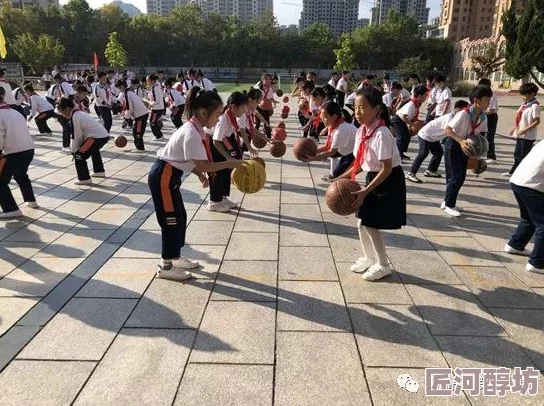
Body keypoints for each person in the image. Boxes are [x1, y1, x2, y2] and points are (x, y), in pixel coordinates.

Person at [148, 87, 245, 280]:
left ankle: (174, 257)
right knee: (171, 221)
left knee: (180, 217)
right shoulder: (192, 133)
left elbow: (186, 159)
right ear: (203, 112)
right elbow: (203, 164)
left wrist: (200, 176)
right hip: (163, 178)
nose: (218, 119)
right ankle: (165, 266)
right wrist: (230, 163)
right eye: (217, 114)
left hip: (170, 176)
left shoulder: (196, 129)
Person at [336, 87, 406, 281]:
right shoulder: (362, 131)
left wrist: (366, 190)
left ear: (376, 109)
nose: (357, 112)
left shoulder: (381, 133)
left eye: (362, 108)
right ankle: (369, 258)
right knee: (362, 222)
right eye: (356, 108)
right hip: (373, 177)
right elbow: (359, 162)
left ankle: (383, 265)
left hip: (388, 180)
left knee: (370, 223)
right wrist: (340, 178)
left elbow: (387, 168)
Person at [442, 85, 492, 217]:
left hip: (467, 147)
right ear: (476, 100)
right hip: (454, 144)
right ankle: (449, 204)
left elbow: (480, 136)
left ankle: (447, 202)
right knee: (456, 177)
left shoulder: (483, 117)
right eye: (486, 100)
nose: (489, 103)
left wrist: (478, 154)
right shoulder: (463, 114)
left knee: (458, 177)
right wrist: (461, 141)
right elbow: (447, 130)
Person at [405, 100, 470, 183]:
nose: (466, 112)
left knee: (438, 152)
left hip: (433, 137)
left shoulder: (455, 118)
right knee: (423, 153)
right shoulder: (450, 118)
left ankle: (431, 170)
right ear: (458, 109)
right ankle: (410, 173)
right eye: (465, 110)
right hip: (425, 134)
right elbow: (450, 131)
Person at [506, 139, 544, 274]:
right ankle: (537, 263)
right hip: (531, 186)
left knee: (528, 217)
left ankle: (515, 245)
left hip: (518, 181)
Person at [0, 86, 38, 219]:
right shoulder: (15, 112)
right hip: (28, 150)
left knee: (1, 182)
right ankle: (31, 200)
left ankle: (11, 209)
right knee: (21, 175)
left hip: (12, 153)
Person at [209, 92, 248, 212]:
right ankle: (214, 202)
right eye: (242, 107)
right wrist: (228, 157)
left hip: (222, 141)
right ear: (233, 107)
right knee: (217, 172)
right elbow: (215, 141)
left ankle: (222, 197)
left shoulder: (232, 115)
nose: (244, 110)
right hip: (213, 143)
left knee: (226, 171)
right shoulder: (223, 119)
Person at [57, 97, 109, 185]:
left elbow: (77, 136)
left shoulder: (75, 116)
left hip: (96, 137)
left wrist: (74, 151)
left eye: (61, 112)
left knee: (79, 155)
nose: (61, 115)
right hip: (102, 136)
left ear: (67, 109)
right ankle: (99, 171)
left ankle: (84, 178)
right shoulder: (78, 113)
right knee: (94, 150)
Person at [304, 102, 356, 181]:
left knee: (339, 178)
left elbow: (331, 152)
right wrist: (311, 152)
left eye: (325, 117)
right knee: (337, 176)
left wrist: (311, 158)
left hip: (357, 154)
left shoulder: (341, 129)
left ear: (334, 117)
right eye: (322, 116)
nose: (322, 119)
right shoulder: (332, 126)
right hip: (348, 152)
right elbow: (327, 146)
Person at [502, 83, 540, 177]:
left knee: (523, 156)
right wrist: (515, 128)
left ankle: (523, 174)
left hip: (528, 136)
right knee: (517, 154)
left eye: (525, 94)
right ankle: (513, 172)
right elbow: (520, 118)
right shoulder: (524, 105)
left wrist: (524, 130)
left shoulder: (534, 106)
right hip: (520, 134)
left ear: (532, 94)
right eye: (522, 94)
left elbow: (537, 121)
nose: (523, 97)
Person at [391, 84, 428, 161]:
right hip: (397, 120)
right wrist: (413, 125)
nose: (426, 97)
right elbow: (404, 117)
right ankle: (396, 156)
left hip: (401, 120)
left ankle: (400, 154)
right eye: (425, 95)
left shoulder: (417, 104)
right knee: (401, 137)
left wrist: (422, 122)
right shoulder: (412, 104)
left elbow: (413, 117)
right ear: (420, 96)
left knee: (407, 136)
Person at [115, 80, 149, 152]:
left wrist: (126, 120)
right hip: (141, 115)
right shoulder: (129, 92)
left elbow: (129, 109)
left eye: (119, 89)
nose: (119, 91)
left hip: (140, 116)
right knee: (136, 131)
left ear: (121, 87)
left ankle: (140, 148)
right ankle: (139, 147)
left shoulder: (128, 94)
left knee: (137, 132)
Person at [478, 78, 499, 164]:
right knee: (479, 135)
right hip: (483, 116)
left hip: (491, 117)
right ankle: (478, 154)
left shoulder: (492, 95)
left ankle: (491, 156)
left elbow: (492, 110)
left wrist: (481, 112)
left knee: (489, 136)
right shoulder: (482, 94)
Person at [255, 74, 276, 139]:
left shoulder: (270, 89)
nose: (268, 81)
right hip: (258, 107)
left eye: (269, 79)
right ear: (262, 80)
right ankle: (255, 136)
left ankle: (269, 137)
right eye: (266, 79)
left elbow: (271, 98)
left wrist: (274, 102)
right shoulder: (258, 89)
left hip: (266, 108)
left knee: (267, 123)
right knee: (258, 123)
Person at [147, 74, 166, 140]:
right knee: (153, 122)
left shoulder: (155, 88)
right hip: (157, 108)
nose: (147, 82)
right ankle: (159, 135)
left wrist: (150, 104)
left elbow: (157, 100)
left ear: (152, 81)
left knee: (152, 123)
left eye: (148, 81)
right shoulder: (155, 87)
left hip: (157, 109)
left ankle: (159, 136)